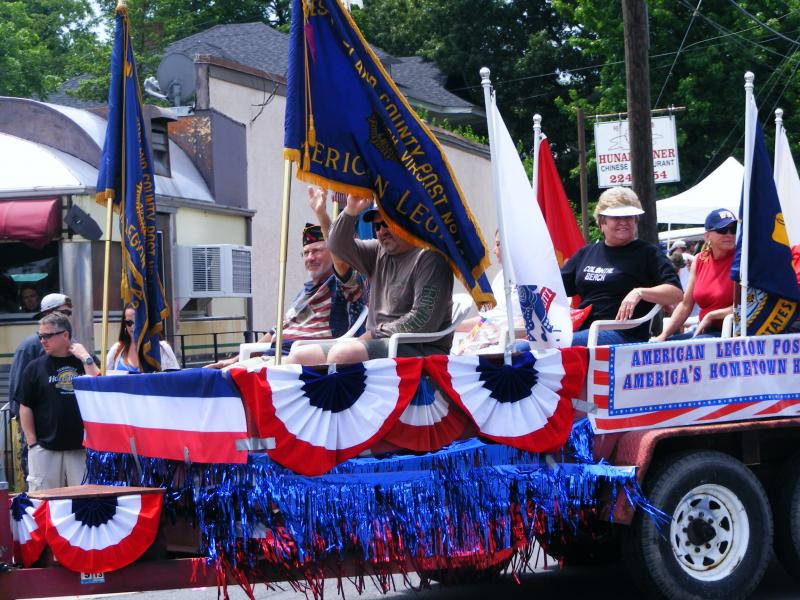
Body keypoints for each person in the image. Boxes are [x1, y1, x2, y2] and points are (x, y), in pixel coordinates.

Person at [206, 187, 366, 369]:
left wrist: (321, 214)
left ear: (332, 253)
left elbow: (341, 253)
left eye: (316, 251)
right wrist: (234, 360)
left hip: (299, 365)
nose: (310, 258)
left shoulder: (340, 286)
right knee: (211, 376)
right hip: (271, 359)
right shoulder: (305, 292)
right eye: (306, 253)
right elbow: (278, 330)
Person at [288, 194, 454, 364]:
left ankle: (340, 391)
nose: (381, 231)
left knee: (342, 355)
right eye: (377, 225)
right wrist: (350, 211)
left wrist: (375, 333)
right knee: (298, 357)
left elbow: (423, 319)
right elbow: (336, 246)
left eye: (387, 223)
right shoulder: (378, 251)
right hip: (379, 342)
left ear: (407, 221)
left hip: (419, 348)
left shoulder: (430, 257)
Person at [560, 187, 683, 346]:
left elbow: (676, 293)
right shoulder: (585, 253)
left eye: (629, 217)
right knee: (523, 348)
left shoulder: (648, 253)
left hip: (624, 335)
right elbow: (556, 289)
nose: (624, 222)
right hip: (581, 330)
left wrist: (639, 292)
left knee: (554, 347)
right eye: (616, 217)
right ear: (601, 221)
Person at [18, 312, 99, 491]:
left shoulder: (84, 362)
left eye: (48, 335)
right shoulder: (34, 367)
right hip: (45, 448)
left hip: (82, 447)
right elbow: (25, 406)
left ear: (65, 335)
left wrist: (86, 357)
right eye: (40, 336)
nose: (42, 340)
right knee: (43, 504)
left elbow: (98, 390)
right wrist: (32, 443)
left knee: (85, 502)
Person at [8, 292, 73, 485]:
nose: (68, 317)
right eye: (64, 312)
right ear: (49, 314)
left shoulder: (73, 346)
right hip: (42, 441)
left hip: (71, 442)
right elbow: (19, 398)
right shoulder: (28, 347)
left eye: (69, 313)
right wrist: (32, 441)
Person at [656, 209, 737, 340]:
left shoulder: (742, 260)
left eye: (733, 229)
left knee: (688, 349)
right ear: (707, 236)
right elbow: (686, 304)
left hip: (731, 333)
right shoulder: (700, 260)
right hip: (704, 331)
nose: (729, 234)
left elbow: (746, 306)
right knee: (658, 349)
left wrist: (711, 315)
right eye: (722, 230)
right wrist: (663, 336)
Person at [105, 303, 180, 372]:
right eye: (129, 323)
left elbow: (174, 379)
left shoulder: (163, 348)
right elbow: (104, 378)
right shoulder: (116, 349)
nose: (133, 327)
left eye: (137, 322)